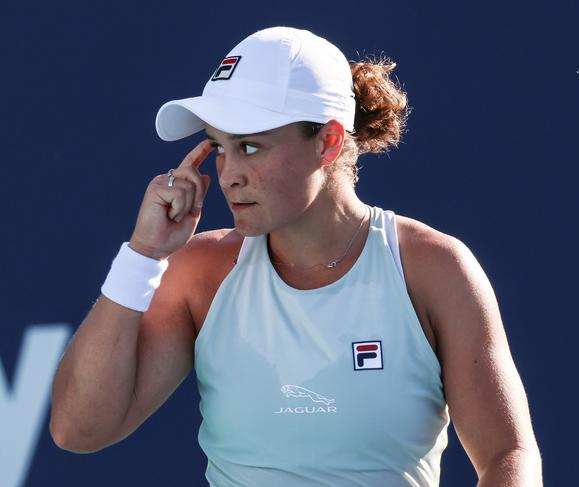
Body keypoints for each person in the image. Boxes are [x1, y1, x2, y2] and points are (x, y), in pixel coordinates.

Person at [50, 26, 543, 486]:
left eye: (250, 146)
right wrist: (143, 256)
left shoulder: (435, 268)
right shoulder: (197, 273)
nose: (228, 175)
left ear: (328, 142)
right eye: (220, 147)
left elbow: (507, 454)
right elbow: (79, 430)